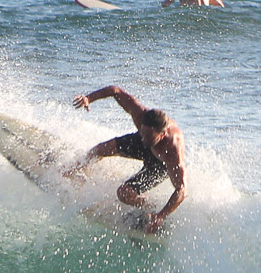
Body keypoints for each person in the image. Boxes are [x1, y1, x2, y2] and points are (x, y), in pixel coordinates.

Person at [70, 86, 187, 234]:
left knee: (124, 193)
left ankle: (152, 210)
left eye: (148, 136)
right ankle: (73, 169)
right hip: (147, 145)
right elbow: (115, 91)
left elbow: (181, 189)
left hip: (159, 164)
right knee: (100, 149)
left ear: (162, 135)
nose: (144, 139)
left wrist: (161, 216)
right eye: (143, 133)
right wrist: (89, 98)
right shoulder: (141, 116)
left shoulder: (172, 150)